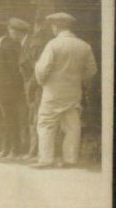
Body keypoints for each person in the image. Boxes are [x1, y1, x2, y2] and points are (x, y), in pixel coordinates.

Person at [32, 13, 97, 169]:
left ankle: (46, 160)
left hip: (53, 92)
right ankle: (70, 160)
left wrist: (43, 82)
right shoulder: (84, 46)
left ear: (55, 27)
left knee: (46, 124)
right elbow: (92, 70)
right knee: (72, 126)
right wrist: (77, 79)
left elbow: (42, 69)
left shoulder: (53, 45)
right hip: (73, 92)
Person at [0, 21, 24, 158]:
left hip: (8, 89)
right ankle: (6, 148)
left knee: (10, 118)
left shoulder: (8, 45)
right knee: (3, 119)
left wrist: (14, 88)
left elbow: (14, 70)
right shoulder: (0, 45)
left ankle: (14, 148)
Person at [19, 21, 53, 161]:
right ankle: (35, 150)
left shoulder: (37, 44)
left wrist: (31, 85)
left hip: (36, 86)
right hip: (32, 85)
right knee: (34, 118)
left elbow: (35, 68)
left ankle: (36, 151)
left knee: (36, 118)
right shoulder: (33, 43)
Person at [7, 17, 33, 155]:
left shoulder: (29, 45)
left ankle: (33, 150)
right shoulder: (22, 45)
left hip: (32, 87)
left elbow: (32, 69)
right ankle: (29, 149)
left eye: (11, 31)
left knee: (32, 119)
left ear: (18, 32)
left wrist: (29, 87)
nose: (10, 34)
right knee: (27, 119)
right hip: (26, 87)